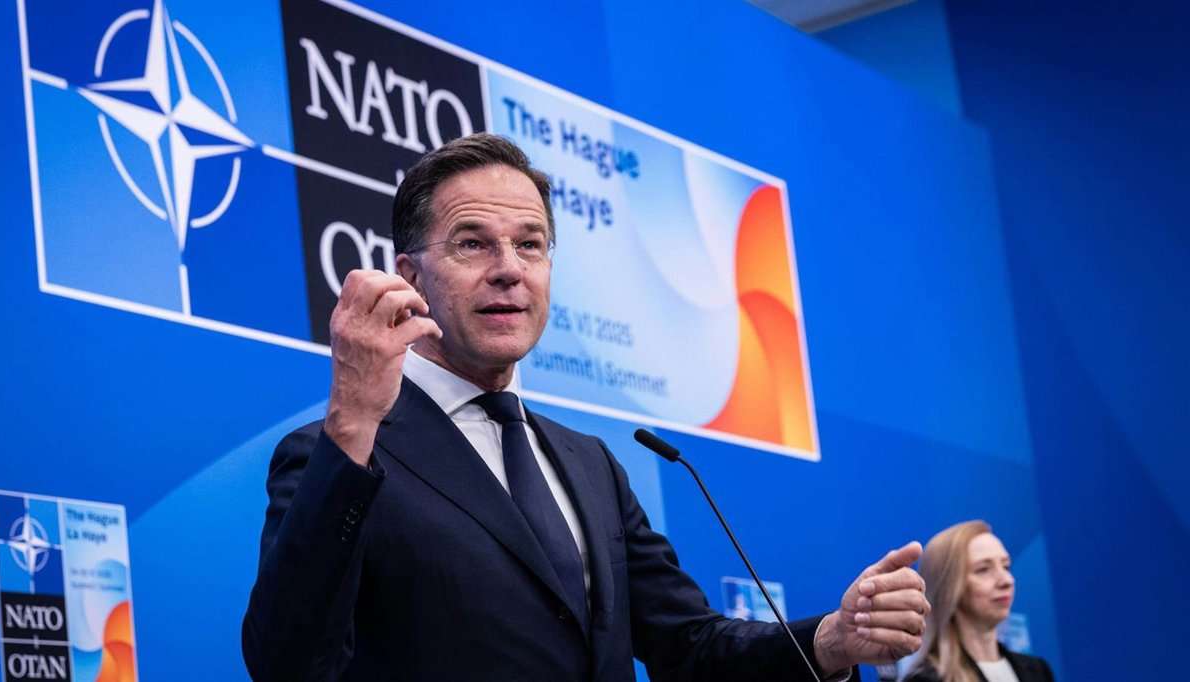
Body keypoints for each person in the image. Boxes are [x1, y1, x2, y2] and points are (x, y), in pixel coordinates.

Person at [241, 133, 929, 681]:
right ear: (410, 277)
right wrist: (352, 420)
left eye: (530, 245)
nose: (509, 268)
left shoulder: (591, 465)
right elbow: (288, 662)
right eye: (472, 243)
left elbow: (688, 646)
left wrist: (831, 641)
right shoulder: (339, 453)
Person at [902, 521, 1054, 682]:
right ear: (949, 586)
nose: (1007, 580)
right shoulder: (926, 679)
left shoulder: (1038, 670)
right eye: (983, 569)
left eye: (1006, 566)